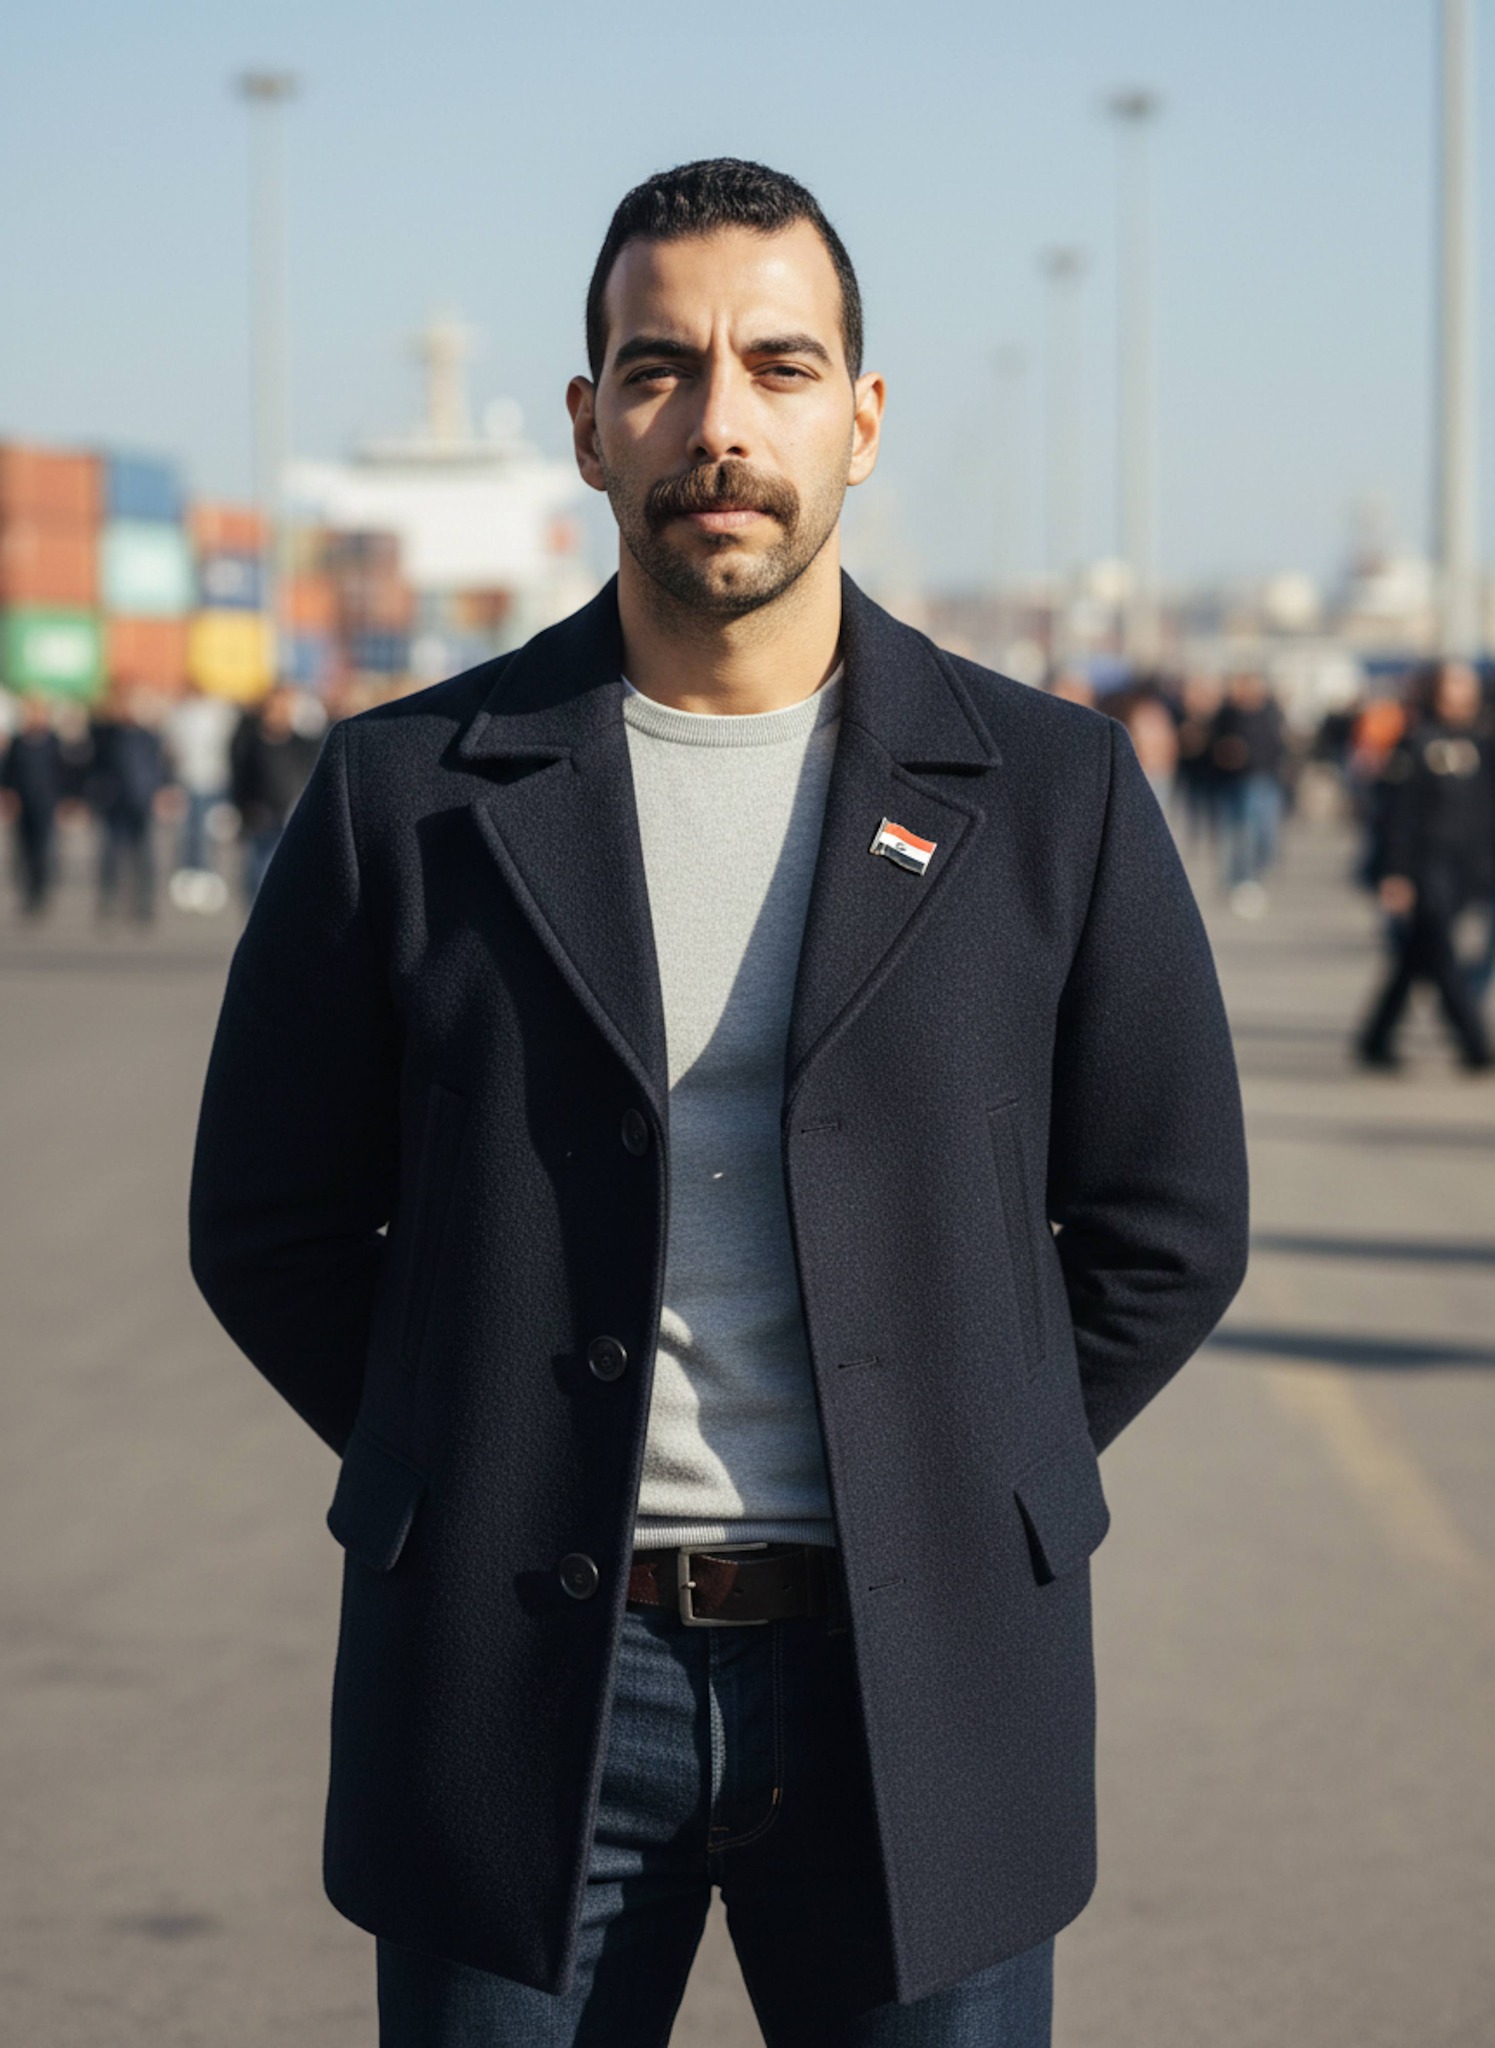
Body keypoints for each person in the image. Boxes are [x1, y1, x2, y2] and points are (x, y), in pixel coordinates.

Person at [190, 159, 1249, 2048]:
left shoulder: (1054, 794)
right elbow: (264, 1222)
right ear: (589, 424)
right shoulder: (405, 796)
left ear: (861, 415)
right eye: (661, 368)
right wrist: (470, 1448)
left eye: (777, 363)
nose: (721, 422)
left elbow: (1169, 1224)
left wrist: (970, 1462)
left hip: (920, 1679)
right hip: (528, 1690)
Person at [1356, 659, 1494, 1071]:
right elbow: (1397, 812)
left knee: (1417, 954)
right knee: (1440, 949)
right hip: (1424, 865)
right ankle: (1475, 1043)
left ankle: (1375, 1038)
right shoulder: (1415, 740)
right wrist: (1395, 871)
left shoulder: (1483, 740)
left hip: (1469, 865)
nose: (1460, 692)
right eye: (1453, 684)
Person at [228, 685, 323, 902]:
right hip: (260, 816)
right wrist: (243, 808)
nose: (280, 712)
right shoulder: (251, 741)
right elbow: (240, 777)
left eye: (285, 707)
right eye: (275, 707)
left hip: (291, 817)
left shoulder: (302, 744)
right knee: (257, 873)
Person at [1209, 669, 1288, 916]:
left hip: (1265, 779)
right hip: (1234, 780)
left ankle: (1251, 876)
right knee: (1240, 835)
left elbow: (1278, 745)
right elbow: (1212, 745)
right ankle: (1242, 882)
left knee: (1267, 836)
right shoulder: (1227, 714)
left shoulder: (1270, 712)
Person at [87, 687, 168, 924]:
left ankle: (144, 904)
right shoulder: (106, 735)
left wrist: (161, 792)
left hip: (141, 801)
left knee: (144, 855)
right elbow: (93, 767)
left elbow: (160, 767)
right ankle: (109, 901)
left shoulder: (148, 736)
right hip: (113, 802)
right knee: (111, 853)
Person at [165, 683, 238, 910]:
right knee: (189, 831)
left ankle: (207, 875)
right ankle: (189, 875)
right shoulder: (180, 715)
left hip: (214, 780)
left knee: (210, 831)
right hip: (188, 780)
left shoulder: (218, 714)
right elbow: (171, 747)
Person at [1, 695, 66, 918]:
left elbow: (62, 773)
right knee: (23, 851)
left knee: (43, 850)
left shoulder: (53, 741)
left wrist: (63, 801)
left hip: (45, 803)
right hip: (22, 803)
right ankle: (27, 893)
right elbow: (8, 772)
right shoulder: (18, 741)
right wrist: (8, 796)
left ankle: (41, 893)